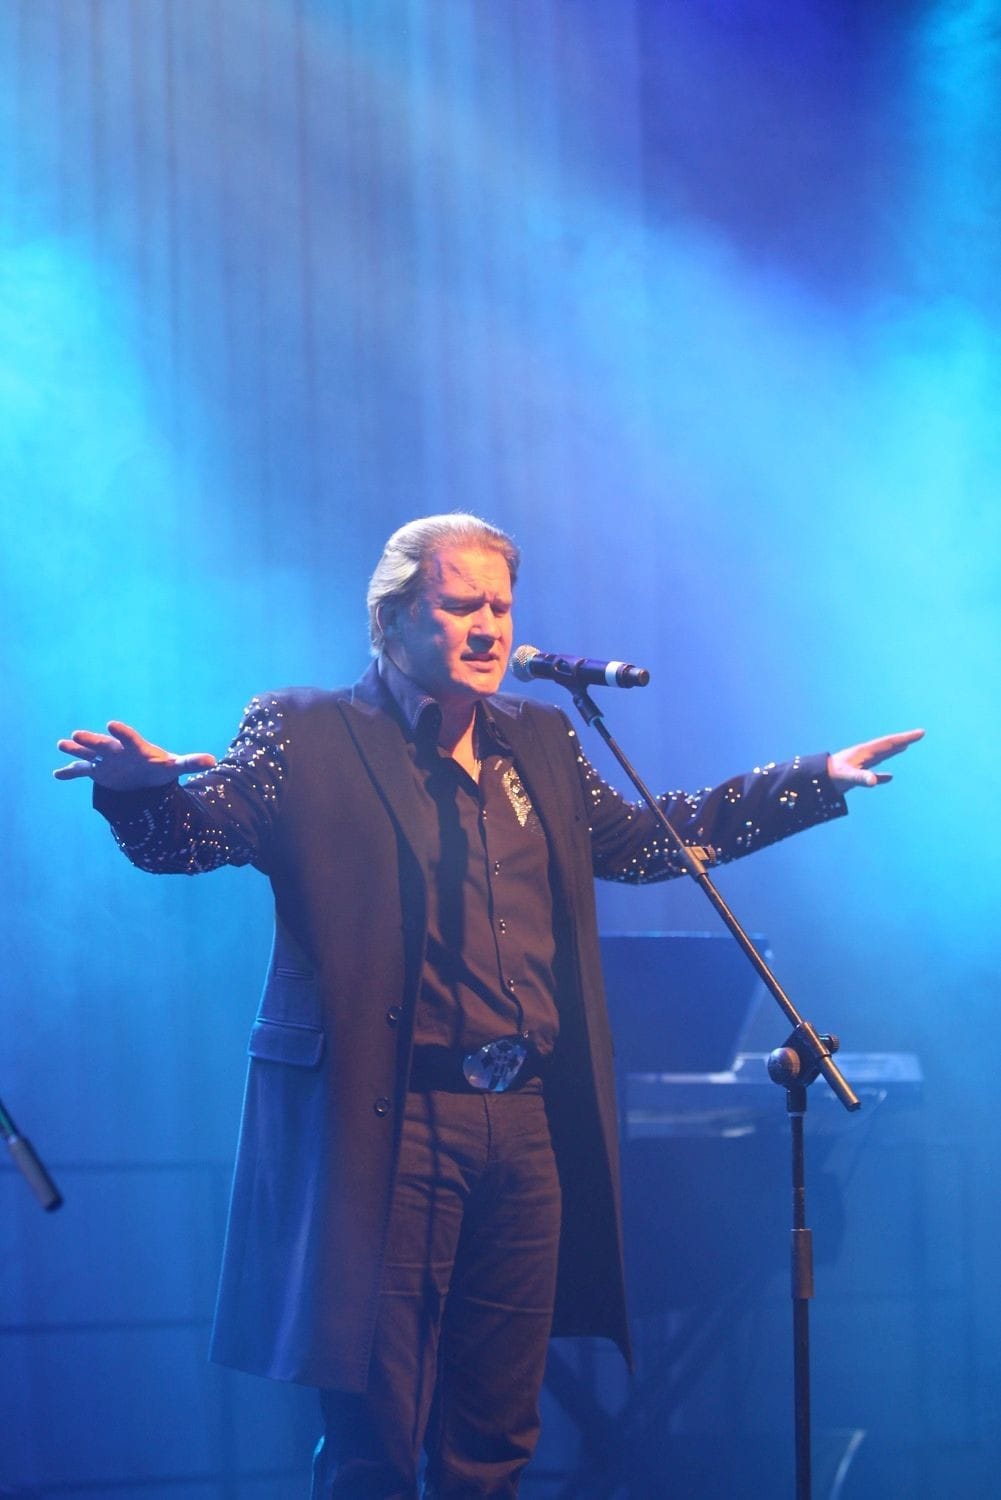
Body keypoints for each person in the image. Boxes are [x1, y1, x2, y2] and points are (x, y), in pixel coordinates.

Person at [55, 514, 922, 1498]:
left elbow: (644, 840)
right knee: (376, 1440)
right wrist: (136, 796)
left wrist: (808, 783)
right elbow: (197, 836)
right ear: (389, 621)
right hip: (389, 1127)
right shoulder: (307, 732)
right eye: (459, 604)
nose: (487, 627)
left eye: (500, 607)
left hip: (521, 1127)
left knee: (495, 1442)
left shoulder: (538, 740)